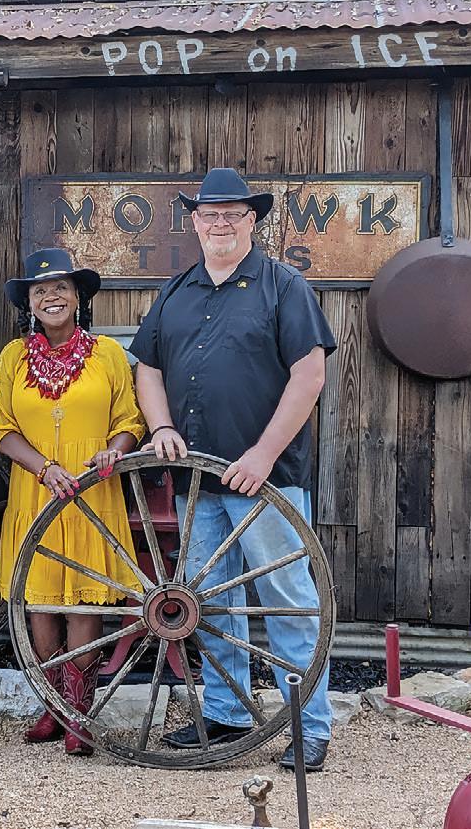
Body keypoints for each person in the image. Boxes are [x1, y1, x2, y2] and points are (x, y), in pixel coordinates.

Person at [131, 167, 336, 772]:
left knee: (287, 600)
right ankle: (227, 715)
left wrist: (264, 454)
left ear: (252, 221)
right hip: (195, 479)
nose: (220, 224)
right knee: (211, 601)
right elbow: (148, 368)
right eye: (209, 215)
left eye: (232, 214)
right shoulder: (176, 292)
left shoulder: (283, 286)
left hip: (263, 481)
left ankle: (309, 726)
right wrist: (161, 428)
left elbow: (309, 375)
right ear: (194, 223)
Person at [0, 248, 146, 756]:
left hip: (91, 492)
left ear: (78, 297)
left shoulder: (108, 355)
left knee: (83, 599)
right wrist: (44, 467)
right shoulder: (13, 358)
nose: (51, 297)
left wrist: (113, 451)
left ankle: (78, 712)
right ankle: (51, 705)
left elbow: (130, 420)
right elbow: (3, 429)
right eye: (40, 291)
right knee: (39, 600)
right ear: (29, 303)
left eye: (60, 288)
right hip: (36, 490)